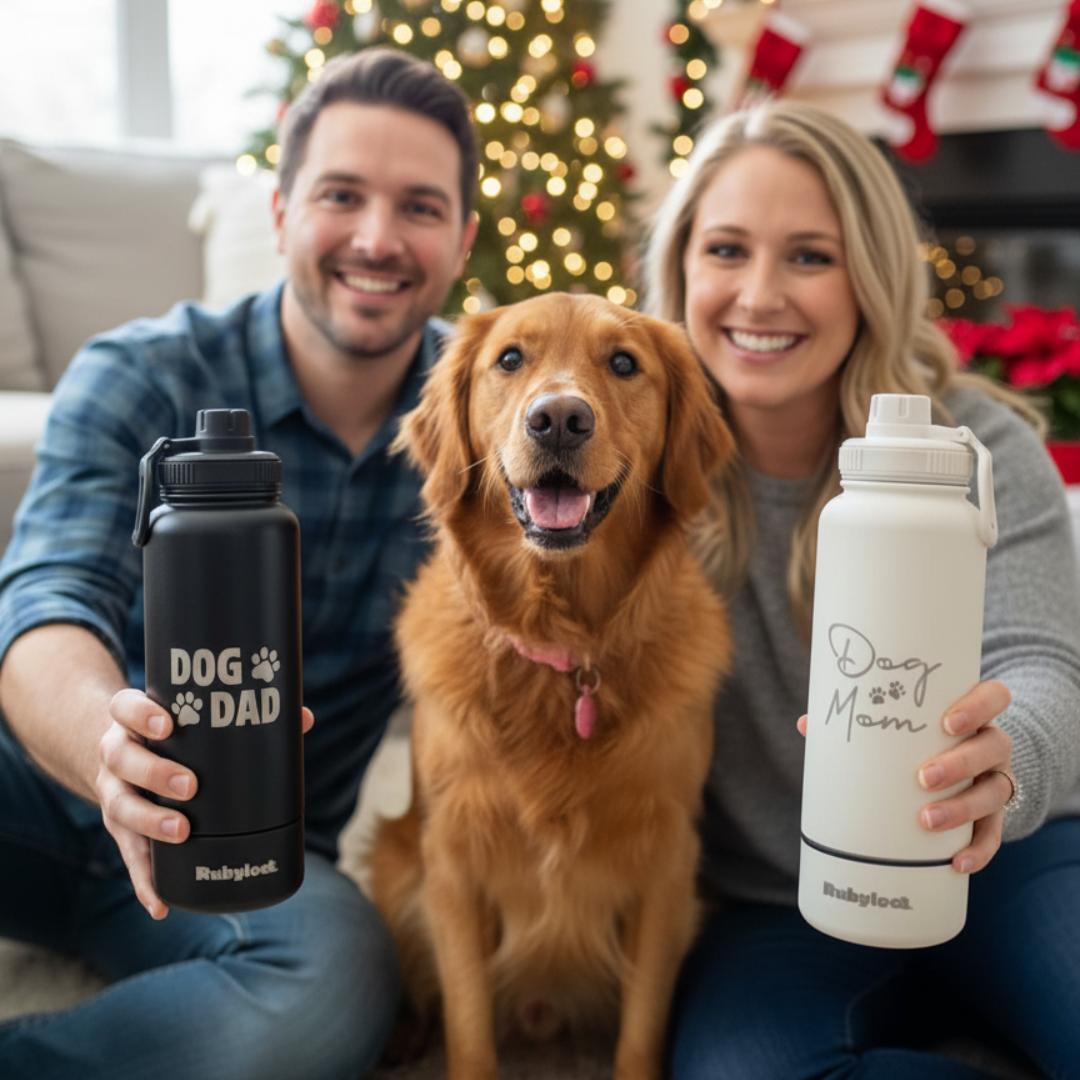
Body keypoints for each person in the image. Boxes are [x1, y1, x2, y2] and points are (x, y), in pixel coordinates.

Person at [0, 47, 477, 1080]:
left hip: (253, 856)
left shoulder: (482, 420)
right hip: (40, 794)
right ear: (278, 213)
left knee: (339, 984)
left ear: (464, 238)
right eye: (341, 195)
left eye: (421, 207)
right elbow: (47, 604)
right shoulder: (144, 373)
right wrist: (109, 752)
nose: (377, 238)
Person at [643, 100, 1080, 1079]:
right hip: (778, 902)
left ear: (871, 275)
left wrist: (1004, 763)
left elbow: (1043, 663)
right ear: (678, 271)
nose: (760, 295)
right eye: (725, 249)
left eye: (810, 255)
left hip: (1009, 858)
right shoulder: (640, 470)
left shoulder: (976, 449)